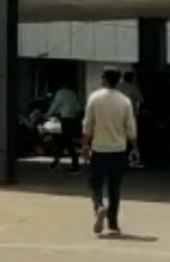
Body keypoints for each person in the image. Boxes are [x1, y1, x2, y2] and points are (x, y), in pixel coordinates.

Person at [81, 67, 137, 236]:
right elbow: (130, 128)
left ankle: (99, 206)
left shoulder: (94, 98)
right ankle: (112, 222)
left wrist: (85, 145)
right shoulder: (125, 101)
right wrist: (135, 147)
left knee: (95, 183)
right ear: (119, 81)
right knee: (114, 186)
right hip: (118, 150)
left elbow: (88, 125)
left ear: (104, 79)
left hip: (99, 148)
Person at [45, 81, 83, 172]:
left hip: (65, 118)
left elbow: (55, 104)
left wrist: (48, 114)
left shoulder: (60, 93)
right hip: (73, 119)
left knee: (66, 142)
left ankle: (74, 165)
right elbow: (78, 107)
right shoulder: (73, 93)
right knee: (65, 141)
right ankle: (56, 163)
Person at [118, 71, 144, 167]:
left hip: (118, 115)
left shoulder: (118, 87)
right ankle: (134, 157)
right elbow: (141, 100)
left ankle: (120, 158)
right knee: (132, 138)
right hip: (130, 115)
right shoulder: (133, 87)